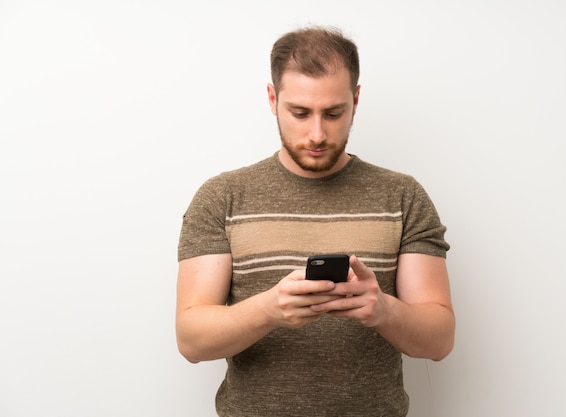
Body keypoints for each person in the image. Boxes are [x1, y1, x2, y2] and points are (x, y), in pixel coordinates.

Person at [176, 26, 455, 417]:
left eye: (334, 113)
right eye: (300, 113)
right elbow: (191, 340)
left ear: (356, 100)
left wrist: (383, 311)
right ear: (273, 99)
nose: (317, 133)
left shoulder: (403, 197)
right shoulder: (222, 197)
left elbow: (439, 341)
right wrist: (269, 310)